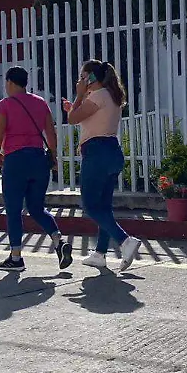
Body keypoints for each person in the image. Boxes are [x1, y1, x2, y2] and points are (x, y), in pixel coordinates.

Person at [0, 66, 72, 272]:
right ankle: (59, 242)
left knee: (14, 210)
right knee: (36, 208)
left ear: (9, 82)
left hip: (16, 161)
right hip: (37, 160)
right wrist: (53, 155)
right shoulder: (40, 103)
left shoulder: (5, 105)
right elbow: (51, 134)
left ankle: (16, 257)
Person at [63, 60, 143, 272]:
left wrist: (78, 96)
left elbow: (71, 120)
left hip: (97, 153)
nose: (79, 80)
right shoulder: (110, 96)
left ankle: (125, 240)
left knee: (89, 205)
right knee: (104, 207)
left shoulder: (96, 96)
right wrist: (76, 105)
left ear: (90, 78)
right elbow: (89, 118)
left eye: (82, 76)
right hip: (111, 151)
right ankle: (100, 253)